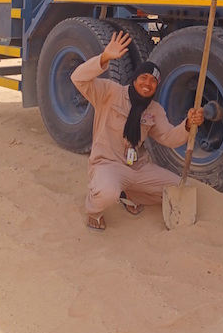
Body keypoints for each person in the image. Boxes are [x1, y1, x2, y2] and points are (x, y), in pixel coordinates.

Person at [71, 31, 204, 231]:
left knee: (178, 188)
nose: (147, 83)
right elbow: (78, 78)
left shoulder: (154, 110)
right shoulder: (110, 92)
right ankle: (93, 211)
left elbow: (168, 137)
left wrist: (188, 124)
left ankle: (129, 194)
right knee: (107, 193)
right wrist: (104, 57)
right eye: (143, 77)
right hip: (108, 164)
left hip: (137, 168)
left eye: (153, 81)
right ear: (134, 79)